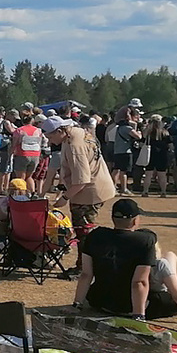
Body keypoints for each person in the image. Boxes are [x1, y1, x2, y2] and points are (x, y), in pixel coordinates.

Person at [75, 199, 177, 327]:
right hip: (135, 305)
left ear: (113, 218)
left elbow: (86, 274)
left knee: (171, 260)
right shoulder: (144, 240)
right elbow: (139, 282)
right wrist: (138, 317)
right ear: (135, 220)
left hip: (100, 301)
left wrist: (77, 305)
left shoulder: (96, 235)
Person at [42, 116, 115, 271]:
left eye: (50, 137)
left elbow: (82, 180)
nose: (49, 141)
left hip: (89, 193)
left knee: (84, 232)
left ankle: (83, 268)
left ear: (60, 131)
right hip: (93, 186)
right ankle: (85, 265)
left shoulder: (75, 145)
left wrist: (64, 198)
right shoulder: (77, 133)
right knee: (85, 231)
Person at [139, 115, 173, 198]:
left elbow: (141, 143)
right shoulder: (165, 132)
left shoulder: (148, 133)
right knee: (162, 174)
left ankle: (145, 191)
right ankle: (163, 192)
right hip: (162, 154)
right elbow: (171, 145)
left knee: (148, 174)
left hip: (150, 154)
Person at [11, 114, 43, 193]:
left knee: (20, 178)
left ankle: (21, 195)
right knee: (29, 177)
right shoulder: (38, 130)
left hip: (22, 154)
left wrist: (11, 153)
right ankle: (32, 193)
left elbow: (14, 143)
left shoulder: (19, 130)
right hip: (35, 155)